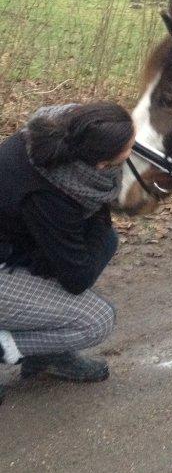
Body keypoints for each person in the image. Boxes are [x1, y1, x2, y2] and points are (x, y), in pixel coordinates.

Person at [0, 102, 135, 403]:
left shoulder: (57, 135)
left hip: (14, 250)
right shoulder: (49, 194)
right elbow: (76, 277)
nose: (132, 151)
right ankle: (7, 346)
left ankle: (45, 355)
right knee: (96, 321)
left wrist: (98, 229)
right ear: (101, 163)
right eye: (127, 149)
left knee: (92, 246)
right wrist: (102, 231)